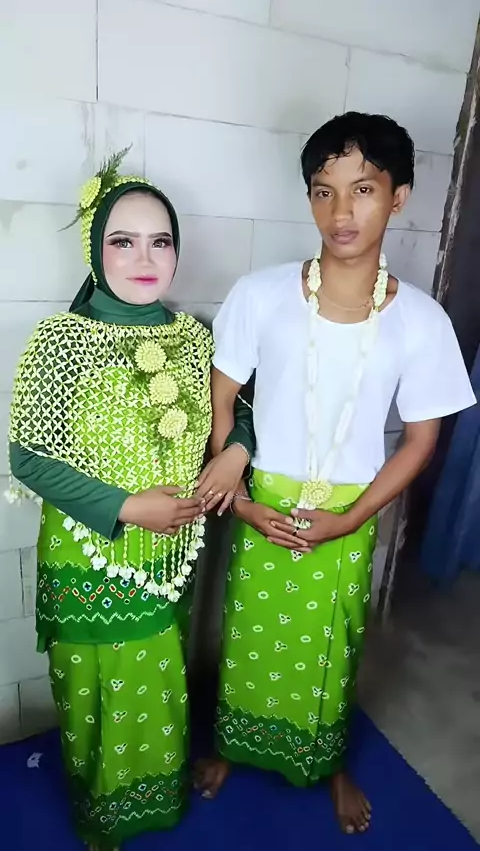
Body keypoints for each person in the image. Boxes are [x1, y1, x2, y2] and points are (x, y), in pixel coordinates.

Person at [195, 112, 476, 833]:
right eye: (324, 191)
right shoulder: (260, 294)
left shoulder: (421, 321)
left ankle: (330, 764)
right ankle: (232, 746)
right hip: (263, 500)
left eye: (363, 189)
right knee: (248, 637)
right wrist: (242, 500)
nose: (341, 211)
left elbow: (420, 441)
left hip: (349, 511)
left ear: (398, 197)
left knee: (334, 647)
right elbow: (223, 399)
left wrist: (351, 518)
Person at [6, 149, 253, 850]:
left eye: (160, 241)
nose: (144, 258)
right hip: (92, 553)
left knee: (158, 685)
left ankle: (157, 801)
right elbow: (27, 457)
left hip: (170, 556)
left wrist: (235, 452)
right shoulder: (62, 341)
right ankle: (104, 818)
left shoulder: (193, 339)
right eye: (123, 241)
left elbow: (240, 411)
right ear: (96, 249)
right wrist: (124, 506)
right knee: (98, 692)